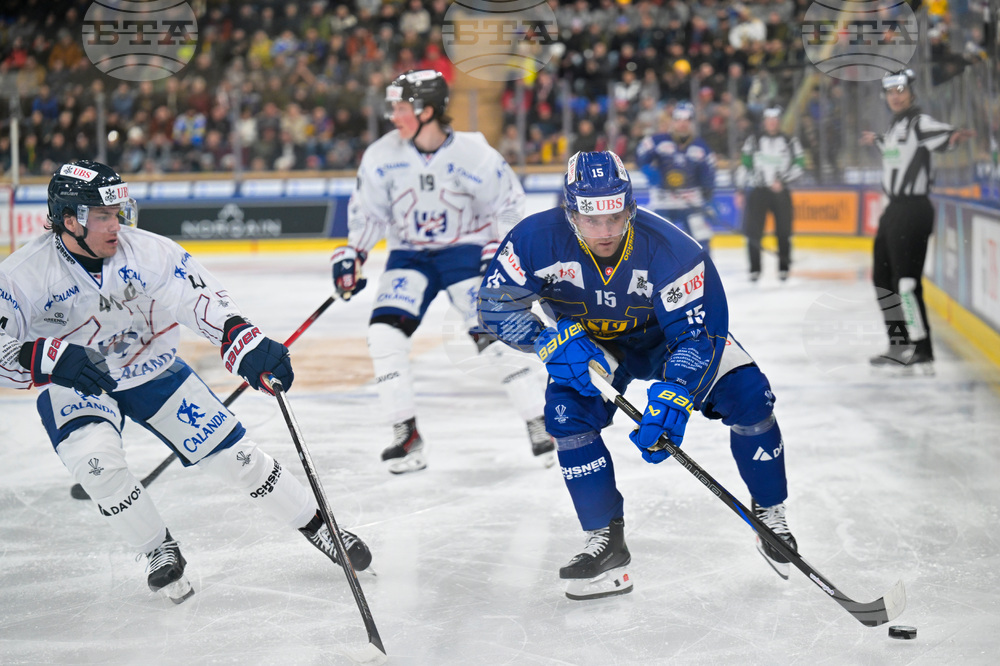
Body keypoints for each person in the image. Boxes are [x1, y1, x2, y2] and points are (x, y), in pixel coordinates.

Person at [0, 160, 372, 603]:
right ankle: (158, 548)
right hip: (78, 384)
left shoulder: (149, 252)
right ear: (69, 220)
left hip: (150, 370)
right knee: (97, 467)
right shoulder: (21, 275)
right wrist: (45, 355)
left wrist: (240, 337)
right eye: (102, 216)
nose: (115, 225)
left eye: (118, 213)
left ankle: (321, 527)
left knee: (238, 460)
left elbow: (197, 297)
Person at [477, 150, 796, 600]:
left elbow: (699, 336)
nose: (606, 232)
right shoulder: (533, 238)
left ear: (629, 205)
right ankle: (605, 540)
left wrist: (675, 395)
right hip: (593, 345)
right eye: (591, 220)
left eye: (616, 216)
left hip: (671, 341)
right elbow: (495, 305)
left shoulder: (673, 249)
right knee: (567, 415)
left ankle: (769, 508)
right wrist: (543, 340)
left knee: (749, 394)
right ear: (570, 212)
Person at [330, 70, 551, 474]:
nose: (393, 115)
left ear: (426, 110)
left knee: (494, 334)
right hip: (410, 255)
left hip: (465, 252)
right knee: (383, 334)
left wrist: (496, 253)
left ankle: (540, 420)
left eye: (401, 107)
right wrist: (353, 253)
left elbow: (507, 205)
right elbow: (369, 212)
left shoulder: (475, 153)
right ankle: (406, 434)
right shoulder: (382, 155)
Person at [860, 69, 974, 370]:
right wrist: (876, 140)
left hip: (913, 210)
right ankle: (898, 344)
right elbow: (894, 146)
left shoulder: (918, 122)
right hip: (894, 211)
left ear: (912, 92)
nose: (895, 96)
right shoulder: (896, 125)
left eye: (901, 89)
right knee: (883, 279)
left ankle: (923, 348)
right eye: (890, 91)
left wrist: (955, 136)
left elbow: (941, 135)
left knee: (906, 282)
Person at [635, 101, 717, 253]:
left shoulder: (701, 146)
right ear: (672, 121)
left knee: (702, 239)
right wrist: (648, 170)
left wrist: (709, 197)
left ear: (692, 122)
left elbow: (709, 174)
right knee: (657, 240)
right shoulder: (657, 141)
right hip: (663, 198)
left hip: (691, 200)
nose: (682, 124)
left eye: (686, 120)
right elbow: (640, 155)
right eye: (678, 119)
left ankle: (704, 273)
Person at [738, 105, 805, 282]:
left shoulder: (790, 141)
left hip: (780, 193)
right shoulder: (753, 141)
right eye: (769, 119)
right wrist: (739, 189)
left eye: (775, 119)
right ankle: (754, 269)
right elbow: (745, 165)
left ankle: (784, 268)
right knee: (753, 233)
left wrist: (783, 181)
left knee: (784, 232)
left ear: (779, 121)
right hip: (758, 191)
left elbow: (800, 165)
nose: (772, 123)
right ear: (764, 121)